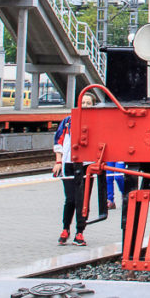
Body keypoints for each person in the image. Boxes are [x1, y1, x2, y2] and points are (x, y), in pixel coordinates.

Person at [54, 92, 94, 246]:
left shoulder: (96, 122)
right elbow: (59, 140)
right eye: (83, 102)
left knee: (83, 200)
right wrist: (58, 161)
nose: (85, 105)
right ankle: (65, 228)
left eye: (88, 103)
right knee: (70, 198)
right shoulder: (67, 122)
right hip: (69, 163)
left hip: (87, 164)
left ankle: (80, 231)